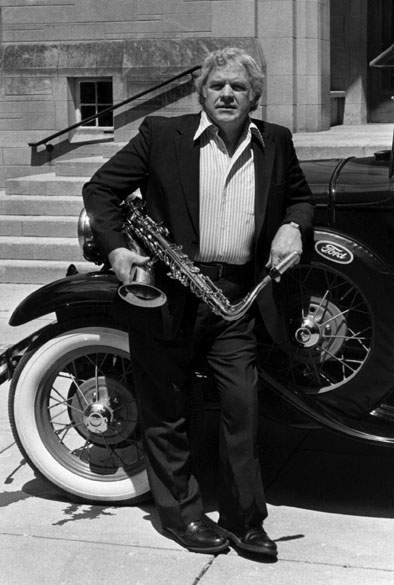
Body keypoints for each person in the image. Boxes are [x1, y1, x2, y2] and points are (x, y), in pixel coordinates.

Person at [83, 47, 313, 559]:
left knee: (242, 408)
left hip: (235, 297)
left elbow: (298, 195)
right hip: (167, 293)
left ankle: (244, 521)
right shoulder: (161, 135)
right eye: (216, 86)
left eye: (237, 87)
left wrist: (293, 226)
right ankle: (182, 518)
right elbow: (100, 190)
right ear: (201, 93)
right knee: (166, 409)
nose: (226, 94)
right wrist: (120, 248)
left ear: (254, 95)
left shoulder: (275, 140)